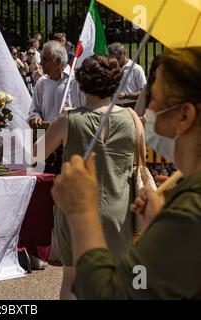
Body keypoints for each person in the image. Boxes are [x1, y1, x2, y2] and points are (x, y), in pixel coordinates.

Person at [51, 47, 201, 299]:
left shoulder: (188, 211)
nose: (148, 105)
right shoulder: (184, 198)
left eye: (156, 97)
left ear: (184, 115)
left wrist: (82, 216)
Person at [37, 54, 140, 299]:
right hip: (119, 209)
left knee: (72, 278)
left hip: (77, 211)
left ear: (82, 84)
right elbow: (138, 160)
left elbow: (35, 154)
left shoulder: (68, 120)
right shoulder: (133, 118)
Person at [28, 40, 84, 128]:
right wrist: (35, 116)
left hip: (71, 137)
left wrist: (72, 115)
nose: (41, 63)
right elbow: (34, 109)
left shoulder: (77, 81)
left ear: (58, 61)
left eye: (45, 59)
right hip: (46, 137)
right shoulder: (42, 82)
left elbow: (88, 113)